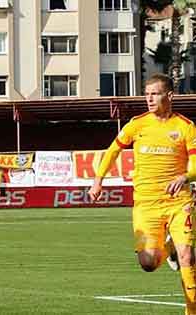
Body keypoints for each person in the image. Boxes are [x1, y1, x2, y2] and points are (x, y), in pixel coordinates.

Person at [88, 73, 196, 315]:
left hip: (180, 202)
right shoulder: (137, 124)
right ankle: (169, 250)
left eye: (154, 94)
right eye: (146, 95)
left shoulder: (185, 127)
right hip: (146, 203)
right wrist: (97, 181)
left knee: (188, 256)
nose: (149, 99)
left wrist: (185, 177)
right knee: (148, 263)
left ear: (169, 96)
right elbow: (113, 150)